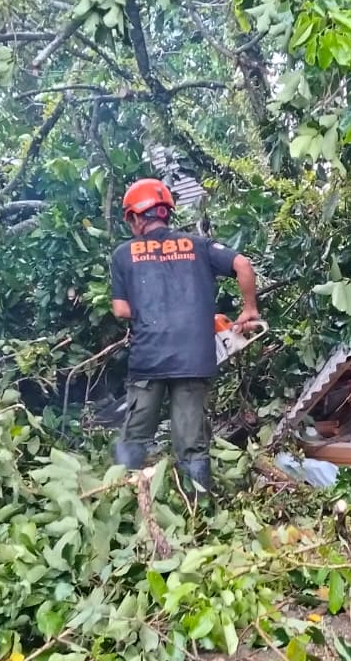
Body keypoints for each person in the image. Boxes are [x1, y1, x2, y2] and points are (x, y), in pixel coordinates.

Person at [109, 178, 260, 502]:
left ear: (136, 216)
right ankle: (199, 511)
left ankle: (120, 501)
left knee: (136, 434)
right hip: (194, 358)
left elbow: (121, 310)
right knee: (191, 441)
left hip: (149, 359)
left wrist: (153, 306)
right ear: (166, 213)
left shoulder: (124, 254)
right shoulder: (198, 245)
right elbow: (243, 265)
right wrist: (249, 309)